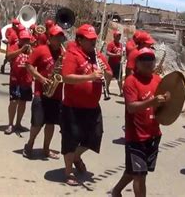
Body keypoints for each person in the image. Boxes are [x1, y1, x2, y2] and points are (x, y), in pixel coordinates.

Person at [112, 48, 170, 197]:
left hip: (154, 134)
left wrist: (167, 99)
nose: (147, 62)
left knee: (136, 170)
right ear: (136, 63)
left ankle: (116, 190)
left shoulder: (158, 80)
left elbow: (165, 104)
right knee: (140, 175)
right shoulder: (131, 82)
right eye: (143, 59)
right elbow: (131, 107)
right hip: (136, 137)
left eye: (150, 59)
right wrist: (152, 101)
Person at [60, 24, 112, 186]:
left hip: (92, 107)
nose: (93, 43)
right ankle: (68, 171)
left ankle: (76, 156)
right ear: (80, 40)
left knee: (95, 136)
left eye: (95, 40)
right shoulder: (73, 54)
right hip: (72, 107)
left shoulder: (98, 56)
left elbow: (109, 75)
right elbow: (66, 77)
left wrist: (106, 74)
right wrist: (89, 77)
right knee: (70, 140)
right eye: (90, 40)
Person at [23, 25, 66, 159]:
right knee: (37, 123)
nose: (60, 40)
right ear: (50, 38)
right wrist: (41, 78)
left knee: (51, 123)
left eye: (61, 37)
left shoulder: (63, 53)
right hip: (41, 93)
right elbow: (28, 65)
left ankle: (46, 149)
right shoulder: (40, 50)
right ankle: (29, 144)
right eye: (57, 37)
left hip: (56, 94)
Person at [4, 30, 33, 134]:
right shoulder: (15, 46)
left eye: (27, 40)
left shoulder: (31, 49)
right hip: (15, 80)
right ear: (19, 39)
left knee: (23, 102)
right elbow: (8, 56)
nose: (26, 41)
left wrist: (31, 52)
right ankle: (10, 124)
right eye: (24, 39)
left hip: (27, 80)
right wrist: (21, 50)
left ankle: (18, 123)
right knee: (13, 101)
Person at [106, 31, 124, 96]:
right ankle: (107, 88)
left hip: (118, 64)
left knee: (120, 78)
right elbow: (107, 53)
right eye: (117, 36)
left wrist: (122, 55)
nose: (119, 37)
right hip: (111, 64)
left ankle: (121, 91)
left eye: (119, 36)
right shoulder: (111, 44)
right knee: (109, 77)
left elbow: (121, 53)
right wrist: (116, 55)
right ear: (114, 36)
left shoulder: (121, 44)